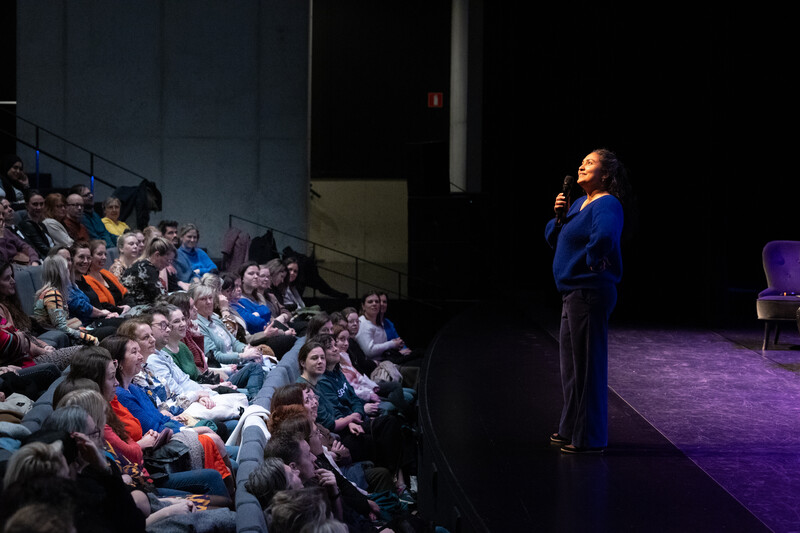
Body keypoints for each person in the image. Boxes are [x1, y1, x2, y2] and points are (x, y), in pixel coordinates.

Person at [545, 148, 627, 454]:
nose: (581, 166)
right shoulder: (580, 203)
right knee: (572, 369)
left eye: (589, 163)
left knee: (588, 368)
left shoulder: (607, 204)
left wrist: (593, 260)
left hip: (590, 293)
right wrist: (559, 216)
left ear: (605, 174)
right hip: (572, 294)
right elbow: (555, 238)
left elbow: (605, 237)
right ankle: (570, 428)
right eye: (581, 162)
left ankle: (590, 437)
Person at [32, 255, 99, 346]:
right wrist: (86, 337)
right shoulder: (53, 294)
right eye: (67, 269)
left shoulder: (52, 292)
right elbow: (61, 327)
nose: (69, 272)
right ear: (60, 273)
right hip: (61, 338)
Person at [75, 239, 132, 316]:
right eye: (100, 254)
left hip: (125, 311)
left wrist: (128, 305)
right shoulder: (86, 278)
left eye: (105, 254)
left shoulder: (105, 273)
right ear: (91, 257)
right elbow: (103, 305)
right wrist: (122, 310)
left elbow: (125, 293)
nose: (104, 257)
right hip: (114, 314)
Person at [120, 236, 176, 306]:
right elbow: (159, 298)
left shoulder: (147, 266)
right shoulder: (146, 269)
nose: (168, 264)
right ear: (157, 255)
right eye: (168, 260)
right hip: (135, 308)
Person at [1, 198, 40, 265]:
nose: (1, 217)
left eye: (2, 214)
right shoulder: (3, 232)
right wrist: (1, 237)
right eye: (5, 207)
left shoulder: (7, 231)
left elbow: (25, 246)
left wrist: (34, 261)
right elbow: (3, 260)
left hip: (23, 266)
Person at [18, 189, 56, 258]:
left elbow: (51, 244)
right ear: (27, 205)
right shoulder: (26, 224)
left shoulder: (41, 224)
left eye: (41, 204)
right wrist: (59, 253)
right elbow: (42, 248)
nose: (39, 207)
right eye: (35, 204)